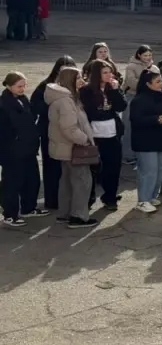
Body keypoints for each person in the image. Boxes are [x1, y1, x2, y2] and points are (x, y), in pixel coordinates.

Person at [46, 66, 98, 228]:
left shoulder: (64, 98)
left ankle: (65, 213)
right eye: (78, 78)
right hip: (73, 148)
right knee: (82, 181)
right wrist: (85, 140)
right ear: (70, 80)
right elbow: (69, 128)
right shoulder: (66, 101)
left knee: (67, 181)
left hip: (65, 148)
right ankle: (78, 216)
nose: (82, 80)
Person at [32, 57, 76, 213]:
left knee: (68, 168)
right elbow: (36, 107)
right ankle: (52, 199)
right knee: (51, 166)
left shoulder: (75, 86)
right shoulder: (46, 86)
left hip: (68, 131)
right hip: (49, 130)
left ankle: (66, 199)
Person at [81, 59, 126, 212]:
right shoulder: (87, 90)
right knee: (93, 168)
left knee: (113, 166)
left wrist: (115, 90)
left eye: (110, 72)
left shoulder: (111, 87)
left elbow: (122, 106)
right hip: (94, 135)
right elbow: (89, 111)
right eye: (105, 72)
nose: (109, 75)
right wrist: (103, 110)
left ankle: (110, 196)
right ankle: (89, 198)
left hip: (112, 133)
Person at [129, 70, 162, 213]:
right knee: (148, 171)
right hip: (145, 141)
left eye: (161, 80)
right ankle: (143, 200)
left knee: (160, 169)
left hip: (160, 139)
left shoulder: (161, 97)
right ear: (148, 84)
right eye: (158, 81)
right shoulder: (139, 100)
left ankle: (152, 196)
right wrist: (156, 120)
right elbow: (136, 120)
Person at [1, 72, 43, 225]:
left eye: (24, 85)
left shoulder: (23, 100)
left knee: (31, 179)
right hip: (13, 151)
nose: (22, 89)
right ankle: (10, 214)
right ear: (9, 86)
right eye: (19, 86)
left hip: (28, 148)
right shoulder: (3, 105)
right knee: (12, 183)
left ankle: (29, 207)